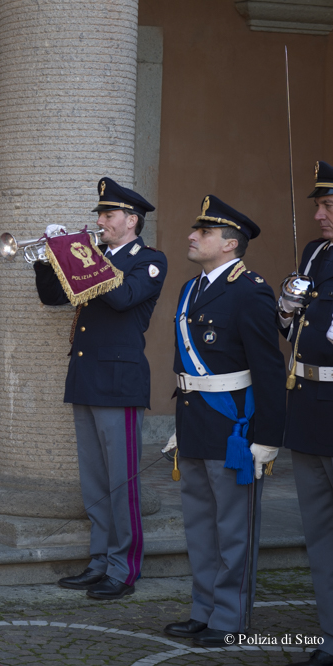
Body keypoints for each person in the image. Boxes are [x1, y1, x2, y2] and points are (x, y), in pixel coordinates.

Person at [161, 195, 285, 647]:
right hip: (195, 423)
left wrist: (267, 437)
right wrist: (180, 421)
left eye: (205, 232)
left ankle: (230, 618)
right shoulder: (189, 289)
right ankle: (204, 608)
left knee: (233, 529)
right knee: (199, 524)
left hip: (235, 428)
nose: (192, 237)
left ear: (230, 243)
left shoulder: (250, 289)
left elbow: (268, 368)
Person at [34, 177, 166, 600]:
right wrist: (45, 258)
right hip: (87, 375)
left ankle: (124, 568)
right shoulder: (97, 258)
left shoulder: (149, 260)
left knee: (121, 481)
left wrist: (82, 255)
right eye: (100, 215)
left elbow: (124, 297)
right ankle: (99, 559)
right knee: (94, 481)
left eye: (108, 215)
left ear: (132, 220)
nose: (101, 221)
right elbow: (53, 297)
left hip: (120, 381)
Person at [277, 162, 333, 666]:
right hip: (309, 404)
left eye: (328, 207)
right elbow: (289, 327)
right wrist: (287, 305)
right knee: (318, 531)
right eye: (319, 206)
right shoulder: (316, 253)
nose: (318, 215)